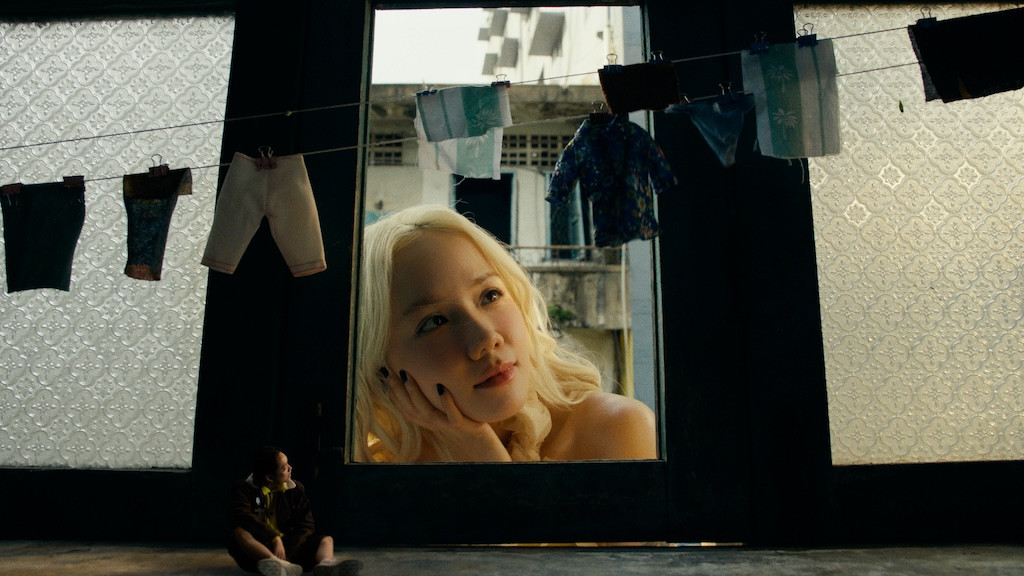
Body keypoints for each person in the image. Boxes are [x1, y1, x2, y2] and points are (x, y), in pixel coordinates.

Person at [353, 204, 657, 462]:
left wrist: (488, 461)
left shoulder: (616, 430)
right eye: (434, 322)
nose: (487, 338)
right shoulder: (378, 473)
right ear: (382, 367)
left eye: (491, 295)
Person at [227, 446, 361, 576]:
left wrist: (288, 552)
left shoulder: (295, 489)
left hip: (291, 546)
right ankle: (275, 563)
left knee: (327, 540)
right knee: (240, 533)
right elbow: (243, 516)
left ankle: (325, 566)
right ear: (269, 478)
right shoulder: (243, 489)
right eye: (284, 468)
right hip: (259, 549)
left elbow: (306, 525)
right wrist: (274, 537)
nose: (290, 468)